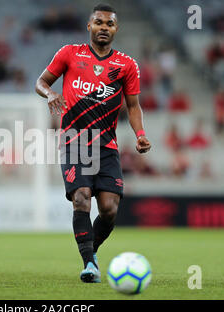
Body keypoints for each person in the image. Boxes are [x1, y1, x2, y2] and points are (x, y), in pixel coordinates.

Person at [35, 4, 151, 283]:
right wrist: (50, 93)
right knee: (81, 198)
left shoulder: (126, 65)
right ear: (89, 26)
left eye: (109, 24)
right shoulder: (70, 54)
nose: (103, 27)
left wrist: (140, 134)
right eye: (98, 22)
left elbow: (133, 106)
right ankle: (89, 263)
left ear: (116, 29)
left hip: (107, 147)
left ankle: (91, 250)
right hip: (75, 141)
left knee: (109, 209)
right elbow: (40, 81)